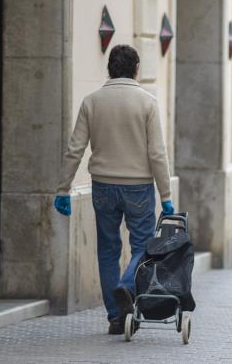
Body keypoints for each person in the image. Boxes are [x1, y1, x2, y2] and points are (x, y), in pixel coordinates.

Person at [53, 44, 174, 335]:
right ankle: (128, 283)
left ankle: (116, 317)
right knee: (143, 246)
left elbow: (75, 149)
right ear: (136, 69)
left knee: (107, 251)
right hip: (139, 188)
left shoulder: (92, 101)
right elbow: (157, 153)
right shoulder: (147, 102)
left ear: (109, 68)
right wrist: (166, 195)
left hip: (103, 186)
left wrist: (63, 189)